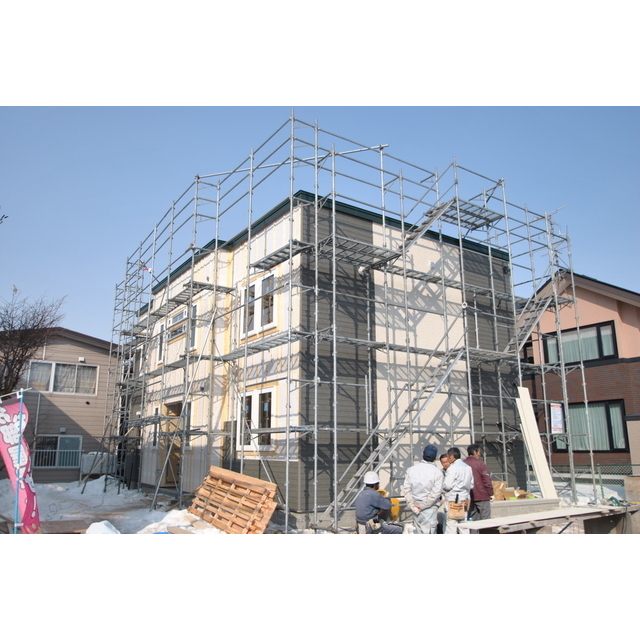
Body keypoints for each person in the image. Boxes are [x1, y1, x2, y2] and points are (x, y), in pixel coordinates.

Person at [402, 444, 443, 534]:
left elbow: (407, 490)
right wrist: (422, 506)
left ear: (422, 454)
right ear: (436, 457)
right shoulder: (437, 473)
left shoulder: (411, 470)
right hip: (429, 509)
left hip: (415, 509)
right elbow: (435, 494)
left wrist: (412, 505)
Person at [441, 447, 474, 534]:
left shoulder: (452, 468)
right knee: (464, 525)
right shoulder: (468, 468)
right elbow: (471, 484)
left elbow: (447, 486)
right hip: (465, 499)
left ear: (452, 457)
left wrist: (442, 486)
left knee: (451, 525)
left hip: (453, 500)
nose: (448, 460)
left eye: (448, 457)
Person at [464, 443, 494, 522]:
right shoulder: (480, 464)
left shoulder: (463, 464)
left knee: (472, 520)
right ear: (475, 452)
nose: (479, 454)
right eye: (479, 452)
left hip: (468, 496)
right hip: (482, 496)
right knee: (486, 520)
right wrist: (490, 493)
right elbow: (487, 480)